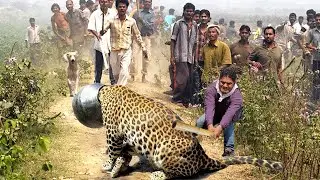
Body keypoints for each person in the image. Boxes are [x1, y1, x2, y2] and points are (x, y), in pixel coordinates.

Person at [196, 66, 243, 157]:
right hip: (215, 113)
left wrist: (219, 128)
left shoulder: (237, 96)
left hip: (230, 116)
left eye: (229, 83)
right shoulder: (211, 89)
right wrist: (210, 125)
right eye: (223, 82)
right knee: (200, 122)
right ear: (219, 80)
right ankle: (194, 144)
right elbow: (209, 108)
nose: (225, 86)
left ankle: (229, 150)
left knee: (229, 124)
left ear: (234, 83)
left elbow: (229, 114)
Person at [101, 0, 147, 86]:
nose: (122, 8)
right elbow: (104, 30)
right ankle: (118, 88)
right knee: (116, 75)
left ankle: (119, 91)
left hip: (126, 51)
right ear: (117, 8)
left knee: (124, 72)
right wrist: (102, 31)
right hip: (114, 51)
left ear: (126, 8)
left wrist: (143, 47)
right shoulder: (111, 20)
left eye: (124, 7)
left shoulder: (131, 21)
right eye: (120, 7)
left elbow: (137, 35)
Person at [170, 3, 198, 106]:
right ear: (184, 11)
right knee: (183, 78)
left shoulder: (195, 25)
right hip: (180, 55)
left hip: (190, 56)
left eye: (191, 11)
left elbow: (195, 42)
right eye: (187, 11)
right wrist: (172, 56)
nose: (189, 13)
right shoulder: (178, 24)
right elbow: (173, 40)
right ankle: (176, 99)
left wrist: (194, 57)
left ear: (193, 12)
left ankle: (185, 100)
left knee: (189, 79)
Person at [88, 0, 117, 84]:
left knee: (112, 63)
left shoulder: (113, 13)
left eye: (106, 2)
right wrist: (96, 34)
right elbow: (90, 27)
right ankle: (97, 81)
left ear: (109, 3)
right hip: (99, 42)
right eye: (102, 2)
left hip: (111, 41)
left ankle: (113, 81)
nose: (104, 4)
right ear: (99, 3)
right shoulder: (95, 14)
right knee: (99, 64)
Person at [131, 0, 155, 83]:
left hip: (146, 37)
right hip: (137, 38)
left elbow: (151, 26)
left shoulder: (152, 14)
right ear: (143, 3)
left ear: (151, 3)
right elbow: (130, 23)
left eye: (149, 2)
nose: (148, 3)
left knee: (146, 57)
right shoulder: (137, 13)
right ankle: (133, 76)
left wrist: (142, 21)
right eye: (146, 2)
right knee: (134, 57)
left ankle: (144, 76)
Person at [305, 13, 320, 103]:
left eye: (319, 20)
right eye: (317, 20)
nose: (318, 21)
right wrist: (313, 48)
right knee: (316, 79)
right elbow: (307, 44)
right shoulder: (312, 32)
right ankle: (315, 99)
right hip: (316, 60)